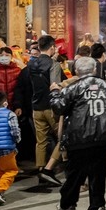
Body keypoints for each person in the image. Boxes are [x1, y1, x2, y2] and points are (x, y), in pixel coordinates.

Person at [50, 56, 106, 210]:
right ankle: (97, 207)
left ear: (76, 71)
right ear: (95, 70)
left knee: (75, 171)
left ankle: (68, 205)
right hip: (103, 137)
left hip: (79, 137)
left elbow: (58, 108)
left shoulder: (72, 88)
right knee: (98, 171)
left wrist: (54, 92)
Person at [28, 35, 66, 186]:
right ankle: (48, 170)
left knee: (41, 141)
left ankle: (40, 170)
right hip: (51, 107)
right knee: (63, 138)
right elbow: (54, 87)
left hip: (36, 106)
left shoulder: (31, 64)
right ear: (52, 47)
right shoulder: (54, 64)